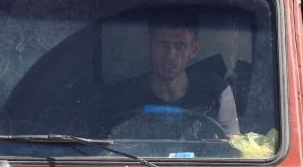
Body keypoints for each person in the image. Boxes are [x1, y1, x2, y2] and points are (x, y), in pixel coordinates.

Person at [101, 12, 240, 138]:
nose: (170, 55)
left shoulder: (216, 92)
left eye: (180, 45)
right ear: (148, 43)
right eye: (162, 43)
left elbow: (232, 147)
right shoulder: (122, 96)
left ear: (195, 48)